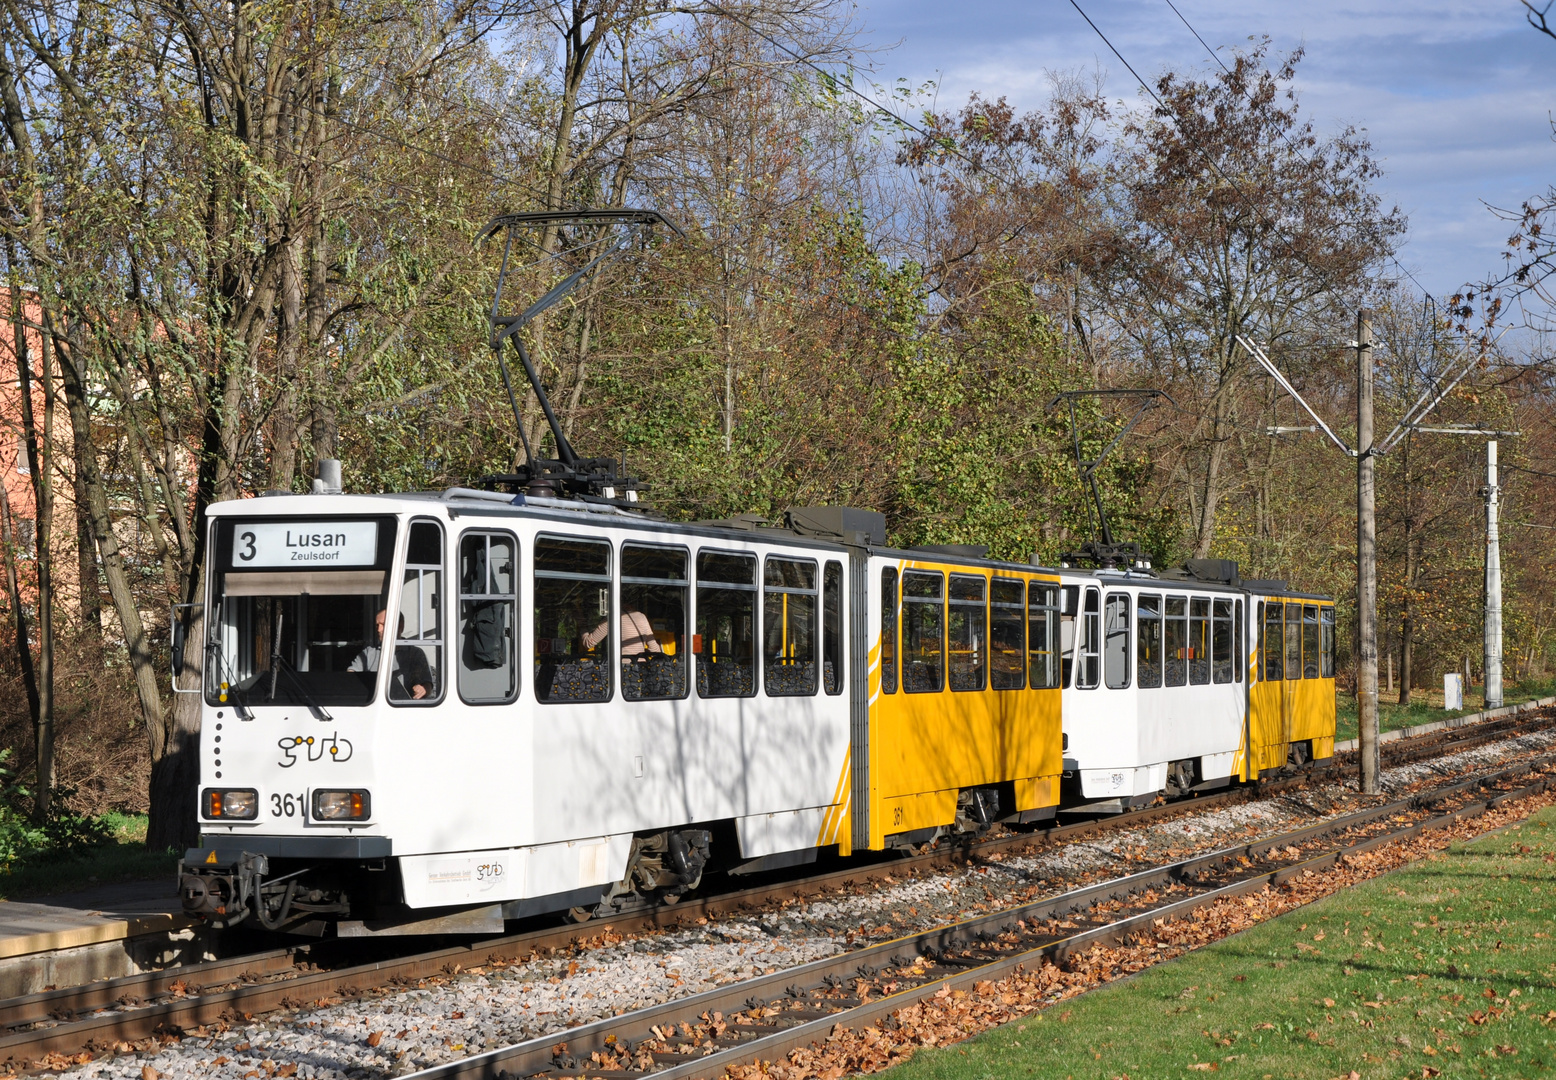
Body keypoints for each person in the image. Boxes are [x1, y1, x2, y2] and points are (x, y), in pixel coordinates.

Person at [350, 609, 434, 700]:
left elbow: (427, 685)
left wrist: (423, 689)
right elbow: (351, 676)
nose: (379, 630)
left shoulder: (415, 653)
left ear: (400, 626)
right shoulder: (368, 653)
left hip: (403, 707)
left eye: (384, 624)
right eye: (377, 625)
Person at [582, 609, 664, 656]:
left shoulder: (614, 617)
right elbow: (655, 649)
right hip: (639, 669)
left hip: (620, 670)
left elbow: (589, 643)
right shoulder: (642, 617)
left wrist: (582, 628)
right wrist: (639, 652)